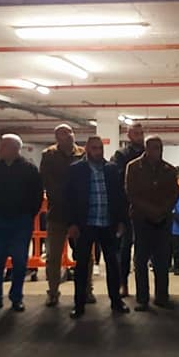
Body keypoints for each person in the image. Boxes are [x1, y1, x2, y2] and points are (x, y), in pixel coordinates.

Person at [65, 136, 129, 319]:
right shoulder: (76, 170)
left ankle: (116, 301)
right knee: (82, 266)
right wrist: (71, 224)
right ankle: (79, 304)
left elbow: (120, 196)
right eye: (94, 148)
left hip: (107, 223)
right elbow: (68, 198)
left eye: (100, 148)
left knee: (113, 264)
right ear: (86, 149)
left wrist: (121, 221)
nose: (98, 151)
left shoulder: (111, 169)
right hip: (85, 224)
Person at [0, 134, 43, 313]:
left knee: (20, 262)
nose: (0, 149)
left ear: (15, 149)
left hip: (21, 222)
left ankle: (17, 298)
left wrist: (28, 214)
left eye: (4, 146)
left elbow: (37, 195)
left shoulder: (29, 169)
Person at [125, 135, 179, 311]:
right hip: (141, 220)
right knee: (140, 260)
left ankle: (162, 296)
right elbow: (131, 193)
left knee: (162, 260)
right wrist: (151, 211)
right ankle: (142, 298)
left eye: (160, 147)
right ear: (147, 149)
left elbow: (174, 194)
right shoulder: (133, 167)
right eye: (155, 147)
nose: (158, 151)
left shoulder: (169, 169)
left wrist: (162, 211)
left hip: (163, 220)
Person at [40, 124, 85, 306]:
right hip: (57, 213)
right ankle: (53, 292)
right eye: (64, 134)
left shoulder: (82, 153)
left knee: (84, 255)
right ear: (57, 138)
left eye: (70, 132)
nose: (69, 136)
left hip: (80, 214)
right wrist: (65, 198)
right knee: (53, 257)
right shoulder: (49, 155)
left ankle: (86, 290)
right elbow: (47, 182)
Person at [112, 122, 145, 298]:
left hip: (147, 208)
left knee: (144, 250)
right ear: (129, 135)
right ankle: (122, 284)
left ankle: (143, 289)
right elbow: (118, 182)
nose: (140, 136)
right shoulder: (121, 155)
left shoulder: (149, 153)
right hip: (127, 209)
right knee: (125, 249)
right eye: (136, 133)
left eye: (141, 133)